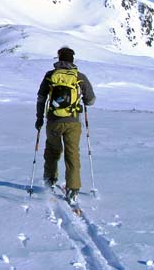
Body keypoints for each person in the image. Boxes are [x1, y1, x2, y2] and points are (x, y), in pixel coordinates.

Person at [35, 46, 95, 205]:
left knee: (52, 150)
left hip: (53, 121)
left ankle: (50, 179)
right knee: (72, 153)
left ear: (59, 59)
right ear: (72, 60)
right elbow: (91, 100)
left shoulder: (50, 76)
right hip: (73, 121)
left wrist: (39, 118)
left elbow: (41, 98)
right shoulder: (79, 77)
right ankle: (73, 189)